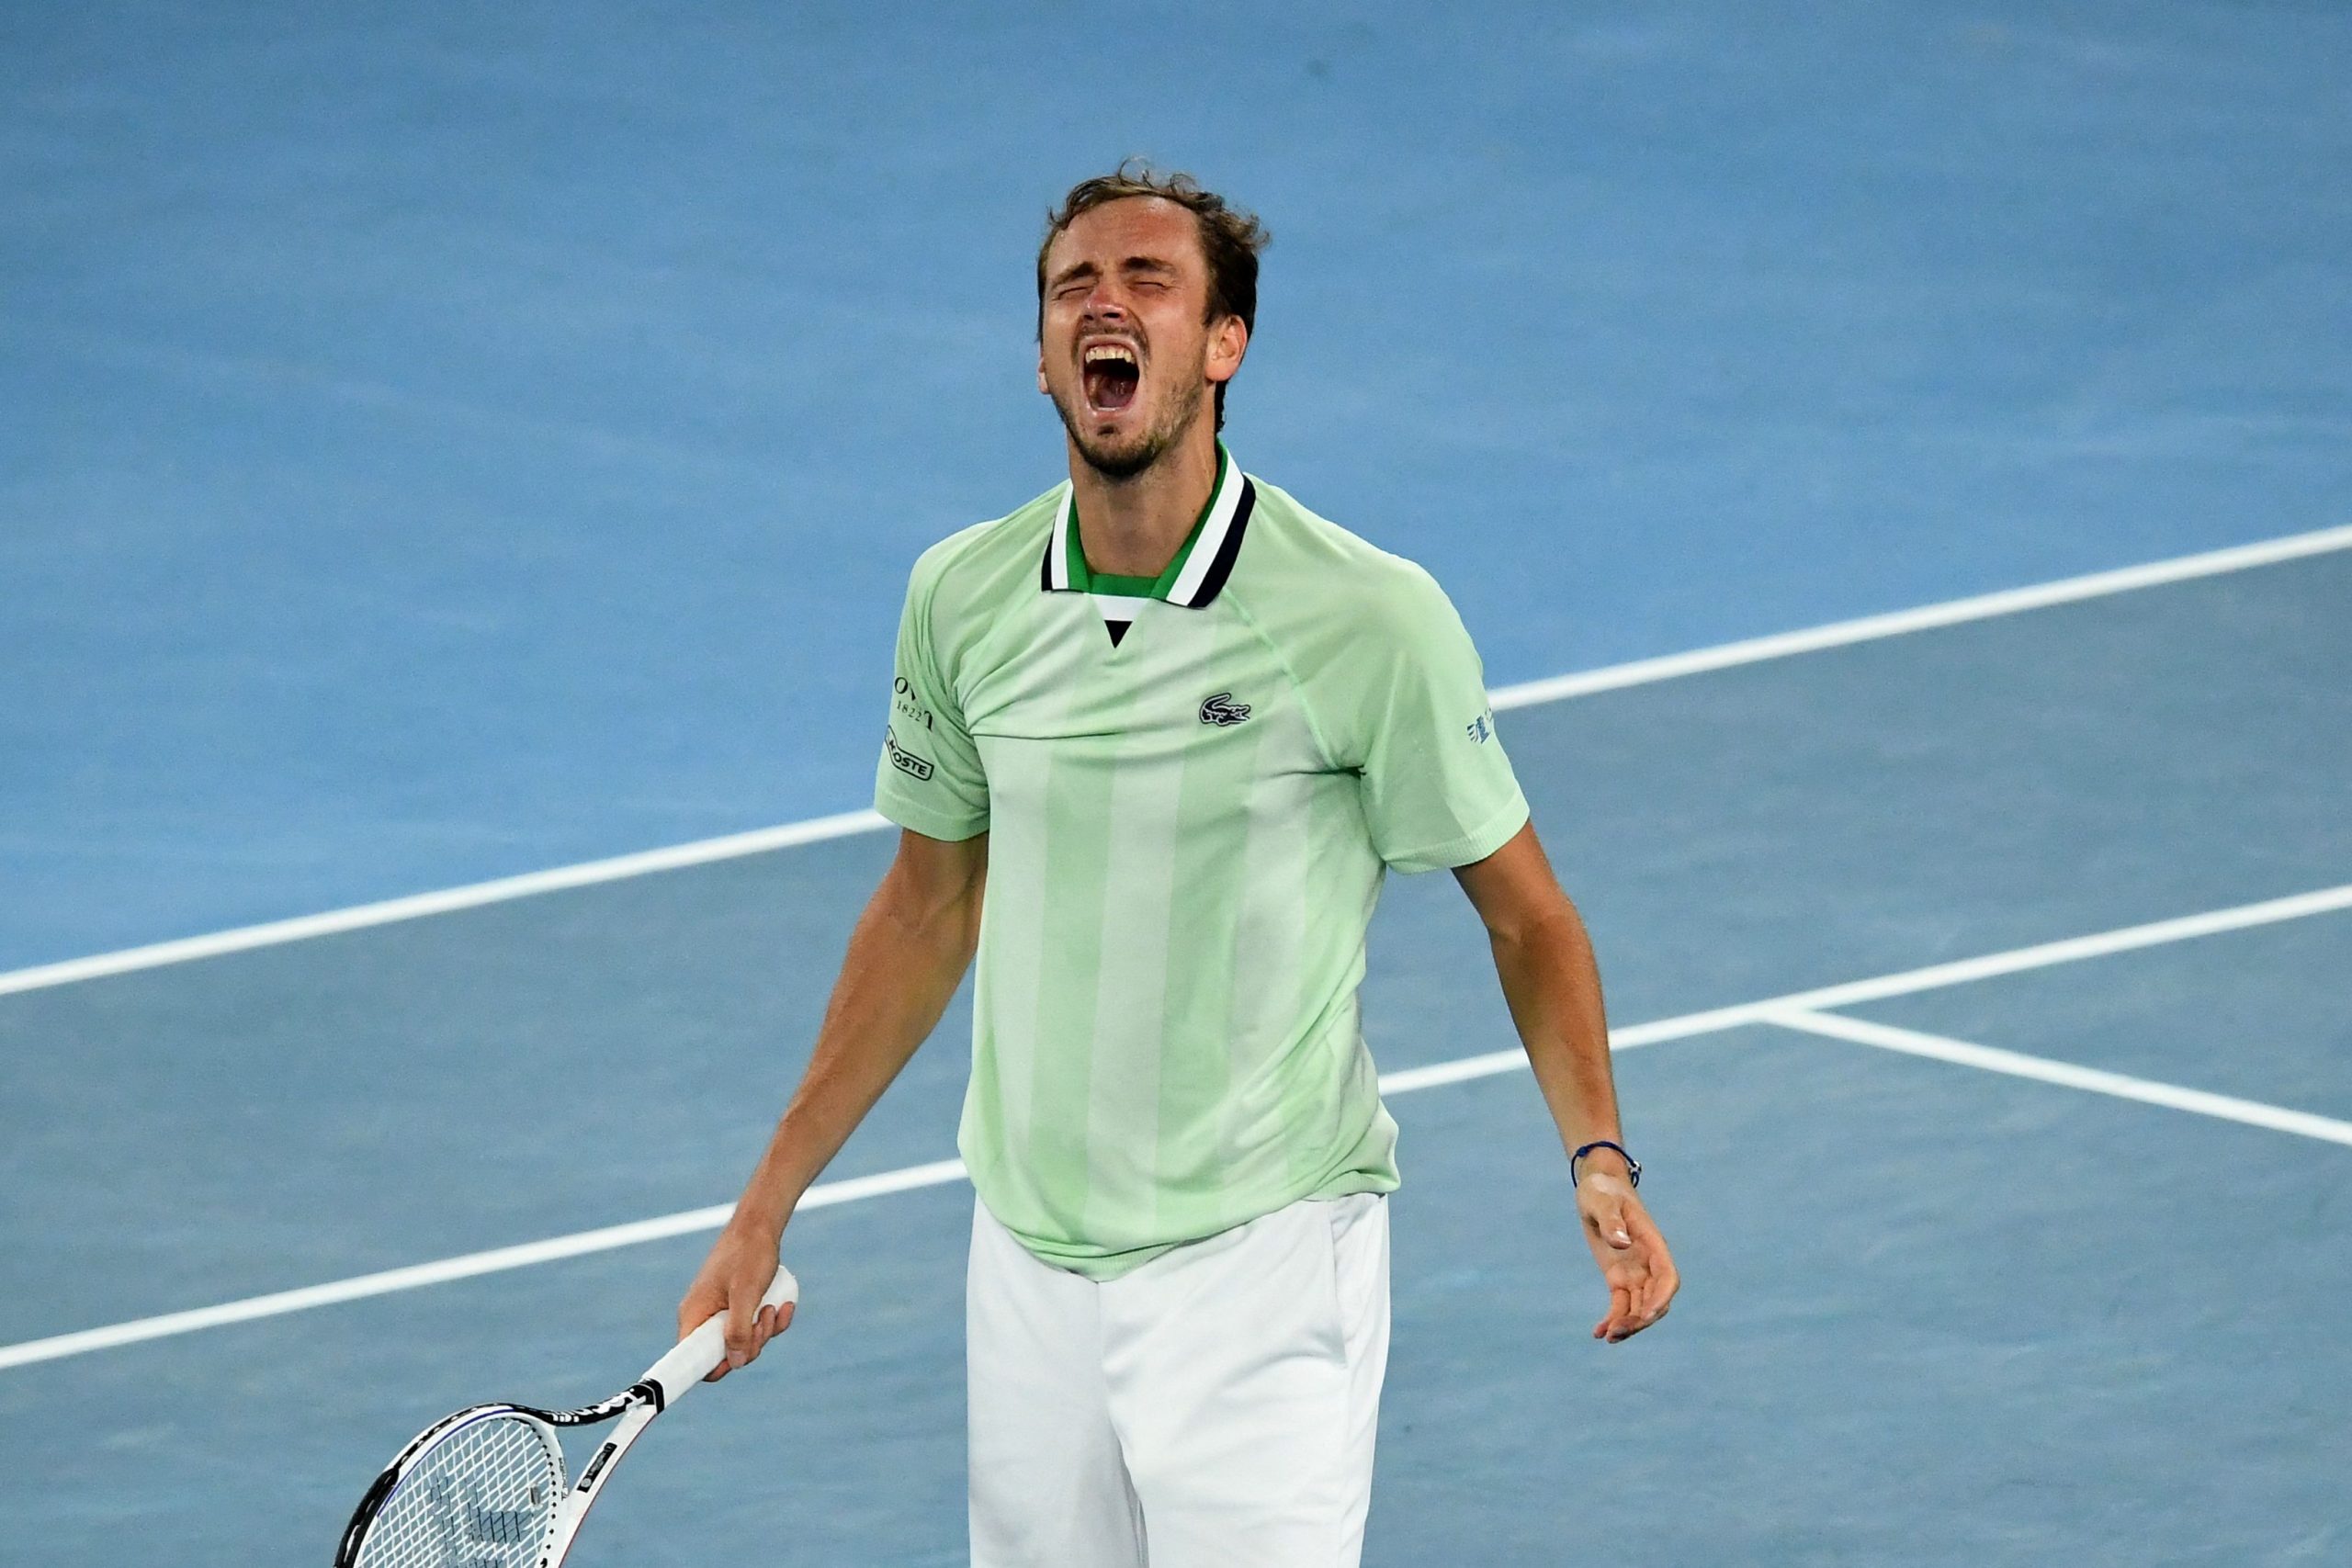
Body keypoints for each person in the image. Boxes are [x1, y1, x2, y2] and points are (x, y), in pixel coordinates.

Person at [678, 163, 1679, 1568]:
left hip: (1261, 1269)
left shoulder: (1366, 618)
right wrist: (765, 1204)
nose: (1106, 303)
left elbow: (1528, 919)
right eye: (1074, 286)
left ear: (1224, 346)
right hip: (1028, 1268)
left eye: (1150, 280)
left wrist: (1599, 1154)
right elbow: (924, 910)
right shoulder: (961, 600)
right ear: (1042, 359)